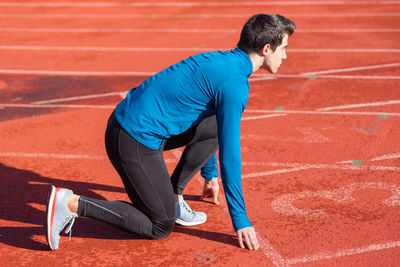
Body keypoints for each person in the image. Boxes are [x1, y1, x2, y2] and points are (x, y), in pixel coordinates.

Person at [45, 13, 296, 251]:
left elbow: (209, 125)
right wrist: (240, 218)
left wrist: (209, 175)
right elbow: (230, 154)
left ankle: (173, 198)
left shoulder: (224, 62)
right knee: (160, 224)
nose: (285, 56)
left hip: (131, 126)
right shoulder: (235, 84)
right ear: (266, 48)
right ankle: (71, 204)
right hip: (131, 138)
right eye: (283, 47)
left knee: (214, 125)